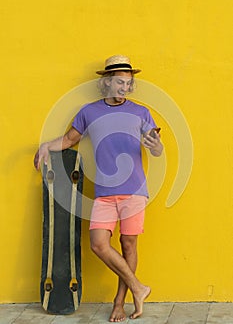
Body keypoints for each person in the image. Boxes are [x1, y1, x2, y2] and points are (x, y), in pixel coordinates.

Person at [34, 55, 163, 322]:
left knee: (128, 246)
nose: (124, 87)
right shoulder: (89, 111)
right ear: (106, 83)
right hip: (104, 192)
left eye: (128, 83)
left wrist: (155, 145)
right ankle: (139, 288)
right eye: (119, 82)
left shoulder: (141, 113)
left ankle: (120, 303)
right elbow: (70, 139)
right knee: (99, 244)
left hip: (134, 190)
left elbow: (157, 148)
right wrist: (46, 146)